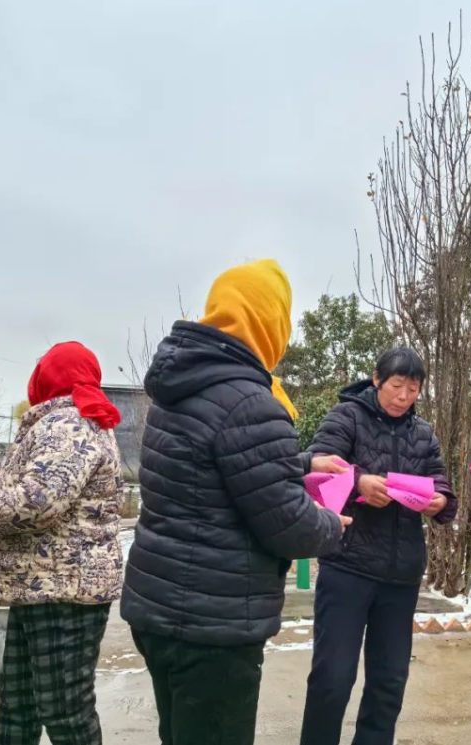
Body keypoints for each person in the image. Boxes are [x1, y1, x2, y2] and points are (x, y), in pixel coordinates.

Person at [120, 259, 349, 745]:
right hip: (213, 624)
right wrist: (331, 523)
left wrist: (303, 463)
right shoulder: (249, 400)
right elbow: (288, 525)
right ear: (270, 323)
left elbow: (213, 467)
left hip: (158, 606)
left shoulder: (180, 386)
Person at [0, 341, 125, 745]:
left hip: (62, 590)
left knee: (64, 712)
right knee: (18, 707)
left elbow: (37, 501)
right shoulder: (64, 422)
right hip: (41, 584)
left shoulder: (69, 425)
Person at [300, 347, 457, 745]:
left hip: (401, 574)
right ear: (376, 379)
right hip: (347, 565)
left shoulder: (423, 433)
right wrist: (359, 482)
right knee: (333, 678)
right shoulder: (346, 416)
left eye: (412, 389)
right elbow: (317, 468)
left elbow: (440, 479)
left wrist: (440, 500)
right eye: (396, 386)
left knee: (389, 682)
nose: (403, 396)